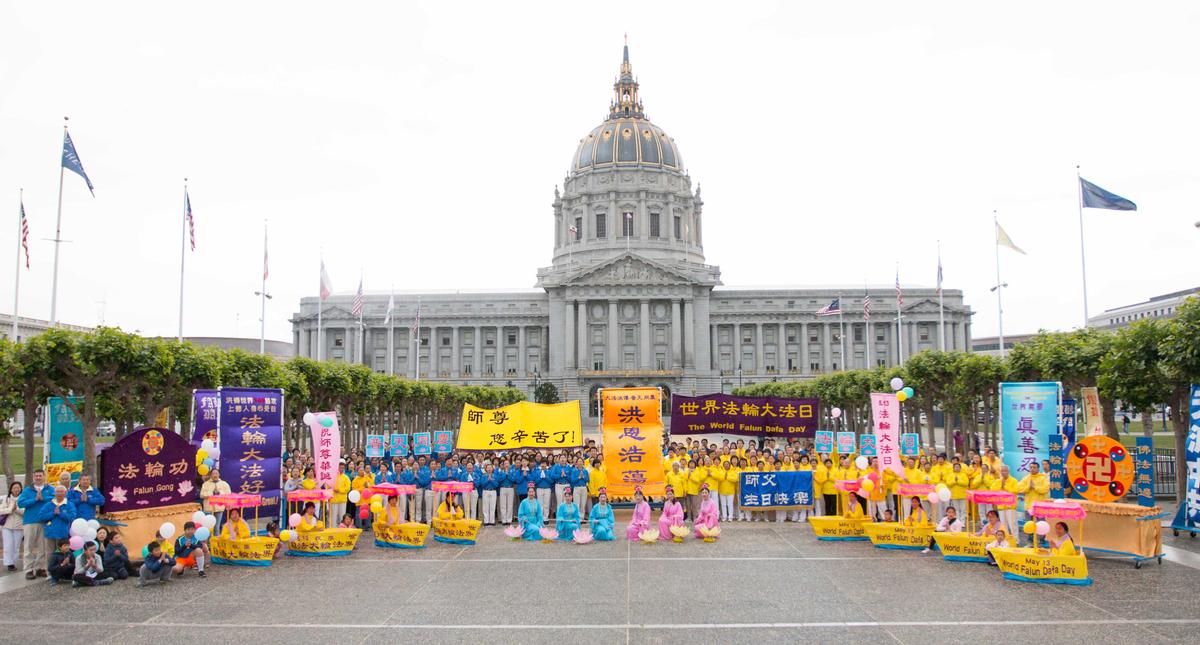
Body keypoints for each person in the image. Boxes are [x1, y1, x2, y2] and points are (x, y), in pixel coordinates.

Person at [16, 469, 50, 579]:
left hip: (44, 521)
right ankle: (28, 569)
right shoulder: (27, 490)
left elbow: (54, 499)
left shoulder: (49, 489)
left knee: (43, 547)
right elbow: (20, 503)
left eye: (40, 476)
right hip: (30, 521)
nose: (38, 478)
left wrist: (43, 498)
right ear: (33, 477)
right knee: (28, 547)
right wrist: (35, 499)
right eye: (36, 476)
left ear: (44, 476)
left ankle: (40, 568)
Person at [39, 485, 76, 572]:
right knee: (49, 554)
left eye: (61, 492)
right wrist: (53, 513)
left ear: (65, 493)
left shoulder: (69, 505)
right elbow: (41, 516)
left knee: (63, 554)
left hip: (62, 534)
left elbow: (72, 517)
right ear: (54, 493)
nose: (59, 493)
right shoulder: (49, 504)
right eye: (57, 492)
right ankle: (49, 572)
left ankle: (62, 572)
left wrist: (61, 514)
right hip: (50, 534)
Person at [1, 481, 25, 572]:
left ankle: (13, 561)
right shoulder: (6, 499)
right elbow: (1, 510)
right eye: (14, 488)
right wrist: (10, 509)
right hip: (7, 526)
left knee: (16, 545)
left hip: (19, 526)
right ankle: (9, 563)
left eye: (18, 487)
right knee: (7, 545)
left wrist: (17, 509)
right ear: (11, 489)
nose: (16, 489)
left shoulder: (23, 499)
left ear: (21, 489)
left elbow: (25, 512)